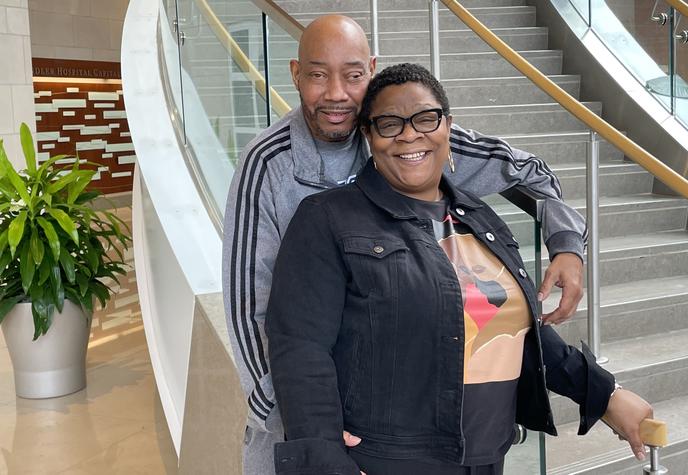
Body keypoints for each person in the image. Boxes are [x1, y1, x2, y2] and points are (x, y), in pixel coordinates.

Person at [224, 15, 587, 474]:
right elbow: (248, 308)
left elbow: (532, 173)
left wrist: (568, 243)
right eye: (318, 75)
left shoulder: (409, 139)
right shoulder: (268, 165)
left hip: (413, 423)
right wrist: (310, 426)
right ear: (296, 74)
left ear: (371, 71)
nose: (336, 93)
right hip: (320, 423)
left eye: (353, 76)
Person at [265, 63, 653, 475]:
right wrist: (325, 461)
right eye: (389, 124)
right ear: (369, 136)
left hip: (487, 457)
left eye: (425, 119)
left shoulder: (480, 218)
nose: (410, 135)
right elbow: (300, 348)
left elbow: (511, 329)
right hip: (387, 462)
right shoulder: (328, 219)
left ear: (447, 126)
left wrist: (604, 392)